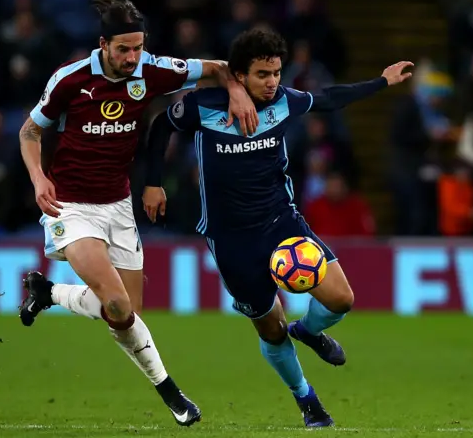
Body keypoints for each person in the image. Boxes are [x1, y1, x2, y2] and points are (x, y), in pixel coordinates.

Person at [142, 28, 412, 427]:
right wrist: (153, 182)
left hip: (281, 222)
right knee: (271, 330)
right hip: (231, 239)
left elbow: (329, 99)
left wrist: (382, 82)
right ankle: (307, 400)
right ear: (239, 75)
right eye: (262, 75)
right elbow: (160, 126)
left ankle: (309, 331)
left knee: (341, 299)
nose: (272, 83)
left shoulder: (285, 101)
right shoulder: (205, 106)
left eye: (276, 73)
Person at [16, 0, 258, 427]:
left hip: (118, 205)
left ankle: (48, 293)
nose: (132, 58)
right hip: (71, 207)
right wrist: (38, 178)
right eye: (123, 49)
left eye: (138, 48)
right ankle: (173, 394)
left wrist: (237, 92)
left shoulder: (153, 71)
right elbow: (30, 132)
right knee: (118, 307)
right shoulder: (70, 80)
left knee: (125, 313)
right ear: (103, 45)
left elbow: (219, 69)